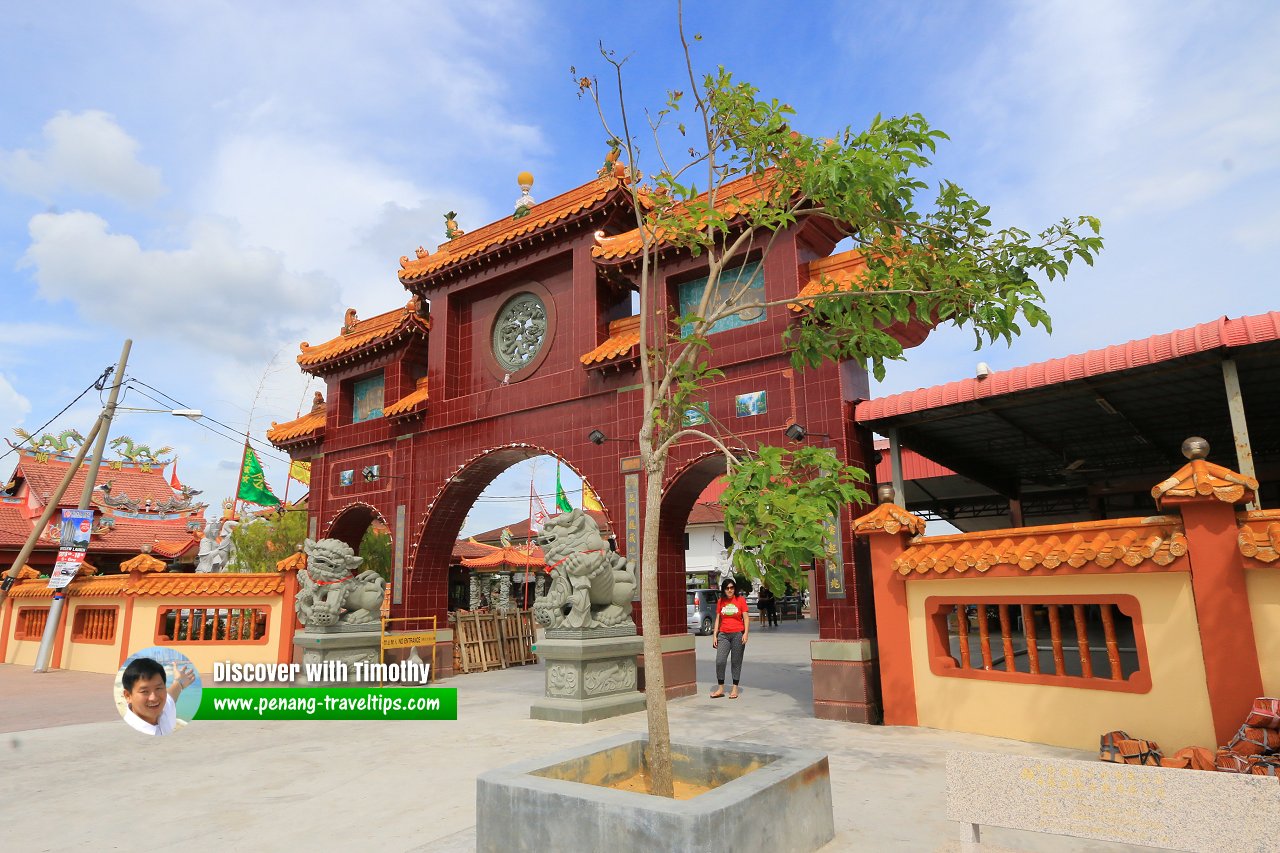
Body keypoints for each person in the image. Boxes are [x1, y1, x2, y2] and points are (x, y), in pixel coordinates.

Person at [121, 657, 196, 736]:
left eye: (158, 688)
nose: (154, 698)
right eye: (144, 691)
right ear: (128, 696)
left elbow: (171, 695)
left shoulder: (164, 710)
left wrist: (179, 682)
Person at [710, 577, 749, 699]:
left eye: (732, 588)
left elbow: (746, 618)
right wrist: (714, 634)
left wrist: (746, 633)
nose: (730, 590)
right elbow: (718, 619)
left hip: (738, 633)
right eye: (727, 588)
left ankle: (734, 688)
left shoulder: (740, 600)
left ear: (734, 588)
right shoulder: (721, 601)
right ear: (724, 589)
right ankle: (720, 687)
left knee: (736, 662)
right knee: (720, 661)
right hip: (723, 634)